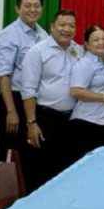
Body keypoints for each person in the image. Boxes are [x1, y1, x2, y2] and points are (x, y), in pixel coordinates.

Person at [21, 10, 82, 192]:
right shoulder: (37, 52)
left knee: (65, 172)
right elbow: (28, 91)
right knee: (41, 173)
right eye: (62, 25)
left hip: (70, 120)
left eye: (71, 26)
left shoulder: (78, 51)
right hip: (44, 119)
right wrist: (32, 123)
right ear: (52, 27)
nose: (66, 29)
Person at [0, 0, 47, 162]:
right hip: (14, 99)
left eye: (36, 6)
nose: (33, 10)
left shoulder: (42, 34)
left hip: (33, 100)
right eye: (27, 6)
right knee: (12, 155)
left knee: (33, 152)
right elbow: (3, 75)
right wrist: (11, 111)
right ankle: (6, 190)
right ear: (18, 8)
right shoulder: (8, 35)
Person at [69, 26, 104, 160]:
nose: (101, 42)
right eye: (96, 40)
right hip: (87, 122)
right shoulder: (85, 63)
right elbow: (76, 91)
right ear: (87, 45)